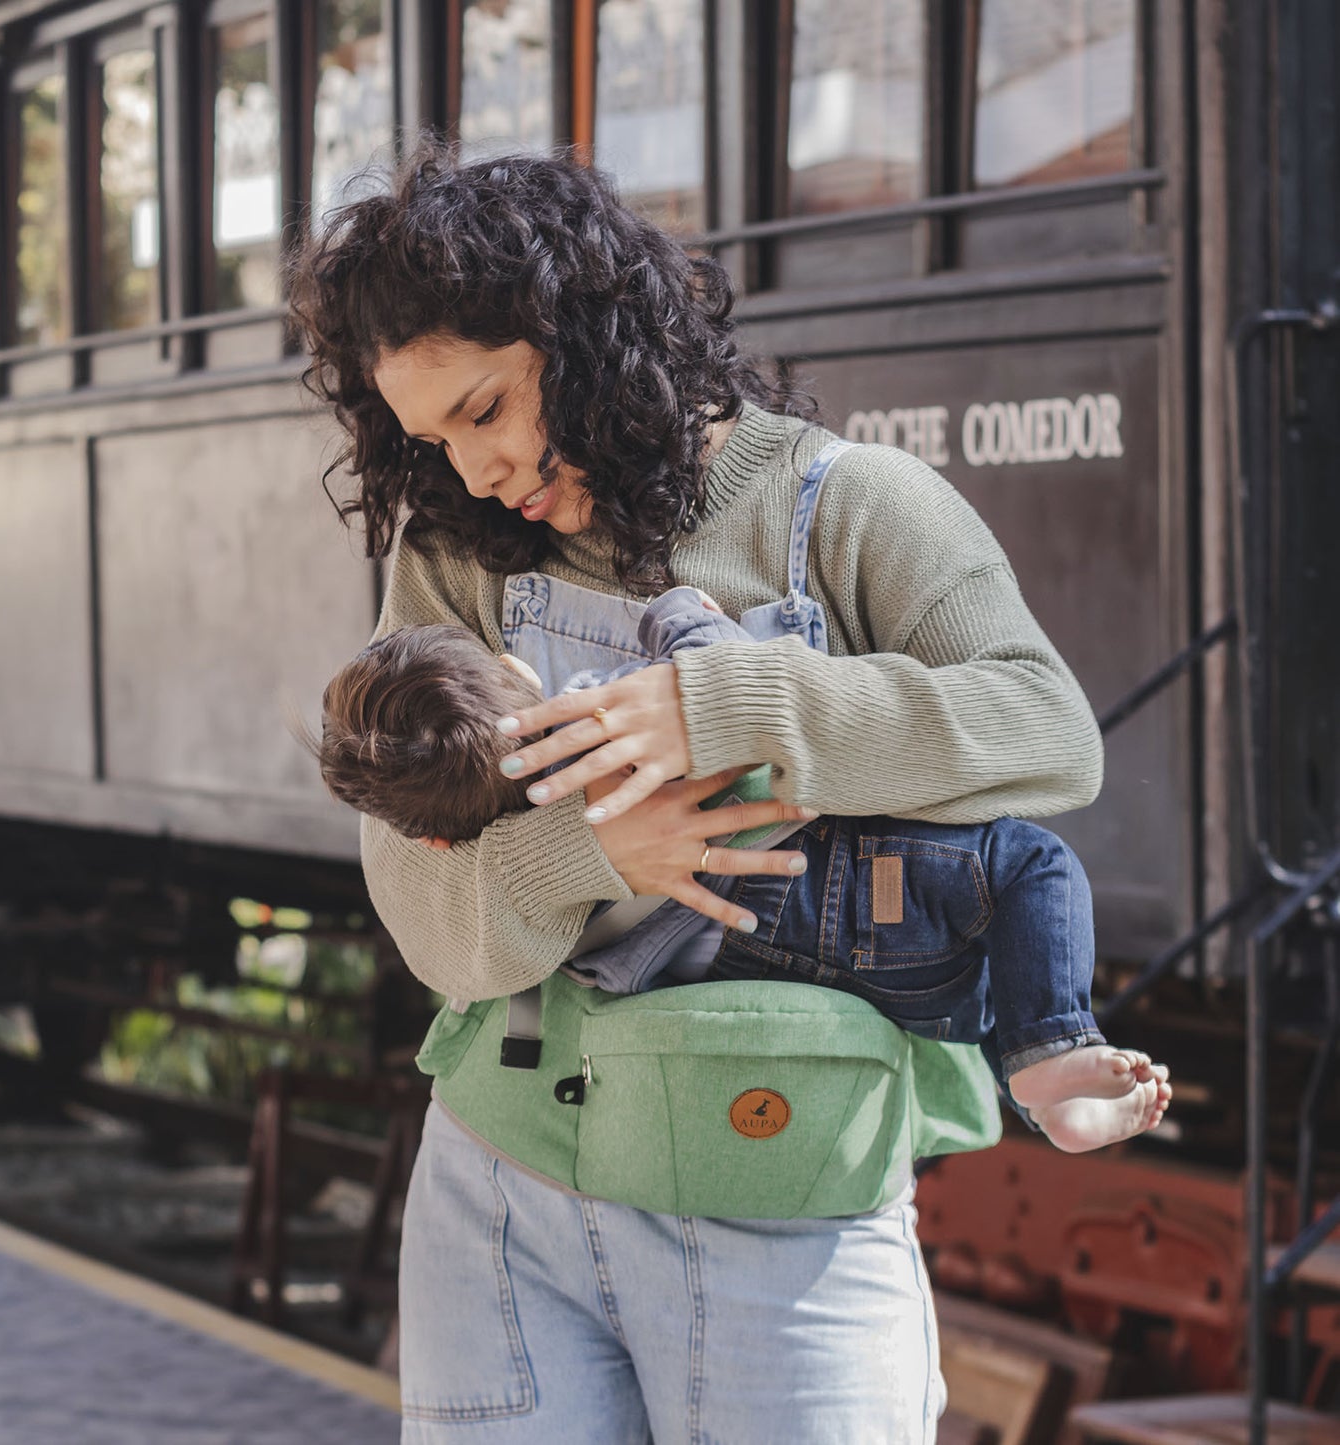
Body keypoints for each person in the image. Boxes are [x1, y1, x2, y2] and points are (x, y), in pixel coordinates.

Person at [290, 145, 1164, 1443]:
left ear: (578, 335)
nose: (471, 472)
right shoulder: (456, 556)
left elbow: (1044, 734)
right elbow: (417, 900)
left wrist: (728, 706)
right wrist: (592, 849)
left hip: (784, 1200)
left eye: (484, 411)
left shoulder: (851, 506)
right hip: (499, 1195)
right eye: (430, 439)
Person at [311, 590, 1168, 1154]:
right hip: (843, 878)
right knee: (1026, 865)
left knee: (973, 989)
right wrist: (677, 612)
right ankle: (1049, 1051)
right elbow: (723, 668)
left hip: (799, 973)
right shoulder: (613, 714)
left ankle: (1030, 1070)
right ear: (518, 676)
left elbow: (538, 970)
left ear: (431, 841)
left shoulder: (526, 895)